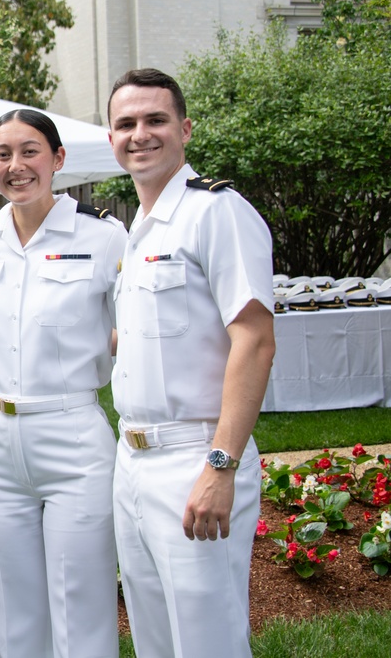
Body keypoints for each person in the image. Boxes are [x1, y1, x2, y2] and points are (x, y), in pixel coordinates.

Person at [106, 68, 275, 658]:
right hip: (132, 461)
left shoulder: (216, 212)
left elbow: (254, 339)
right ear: (111, 139)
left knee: (209, 642)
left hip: (195, 457)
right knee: (155, 640)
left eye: (155, 120)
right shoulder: (137, 228)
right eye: (126, 123)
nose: (140, 134)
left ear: (185, 128)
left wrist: (220, 465)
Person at [0, 109, 127, 658]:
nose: (16, 166)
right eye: (2, 154)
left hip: (72, 433)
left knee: (80, 600)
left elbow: (133, 330)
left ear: (58, 159)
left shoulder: (103, 235)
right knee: (13, 604)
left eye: (30, 151)